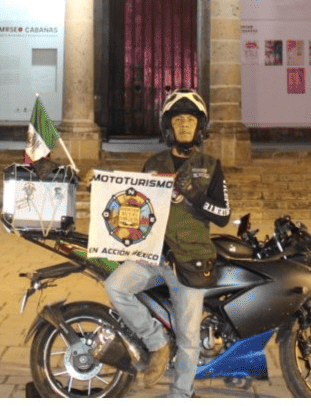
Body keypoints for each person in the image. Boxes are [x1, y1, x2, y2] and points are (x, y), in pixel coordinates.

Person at [104, 88, 231, 398]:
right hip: (154, 256)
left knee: (188, 337)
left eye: (190, 120)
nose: (184, 125)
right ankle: (157, 343)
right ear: (168, 126)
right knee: (116, 286)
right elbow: (136, 206)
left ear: (200, 126)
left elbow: (224, 215)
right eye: (178, 120)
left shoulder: (211, 165)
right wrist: (103, 195)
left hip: (191, 260)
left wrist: (196, 196)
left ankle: (180, 394)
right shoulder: (153, 163)